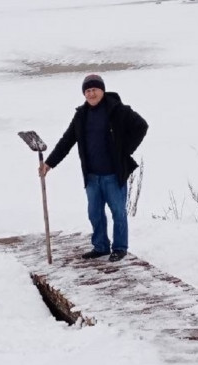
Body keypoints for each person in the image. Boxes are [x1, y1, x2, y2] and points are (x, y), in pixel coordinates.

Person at [39, 74, 148, 262]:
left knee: (118, 213)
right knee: (94, 213)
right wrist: (49, 163)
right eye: (87, 91)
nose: (91, 94)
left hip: (113, 175)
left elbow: (141, 126)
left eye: (94, 89)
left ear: (102, 90)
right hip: (92, 176)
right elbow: (67, 141)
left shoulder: (117, 110)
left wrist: (125, 150)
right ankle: (101, 246)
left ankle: (120, 248)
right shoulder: (81, 115)